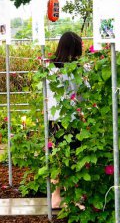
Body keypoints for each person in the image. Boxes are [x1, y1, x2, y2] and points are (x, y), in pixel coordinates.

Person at [46, 31, 83, 209]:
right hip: (72, 120)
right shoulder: (76, 70)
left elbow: (44, 94)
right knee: (74, 157)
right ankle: (73, 197)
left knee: (56, 157)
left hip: (53, 119)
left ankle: (56, 197)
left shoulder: (49, 69)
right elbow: (83, 94)